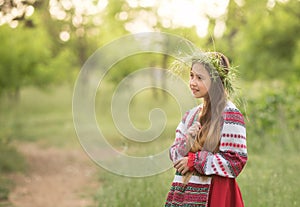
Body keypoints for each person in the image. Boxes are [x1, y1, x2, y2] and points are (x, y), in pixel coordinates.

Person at [165, 51, 247, 207]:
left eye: (200, 78)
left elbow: (235, 161)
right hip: (185, 192)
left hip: (216, 193)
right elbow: (174, 155)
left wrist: (194, 161)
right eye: (191, 76)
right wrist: (187, 141)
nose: (193, 82)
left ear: (216, 81)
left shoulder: (229, 114)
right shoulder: (191, 116)